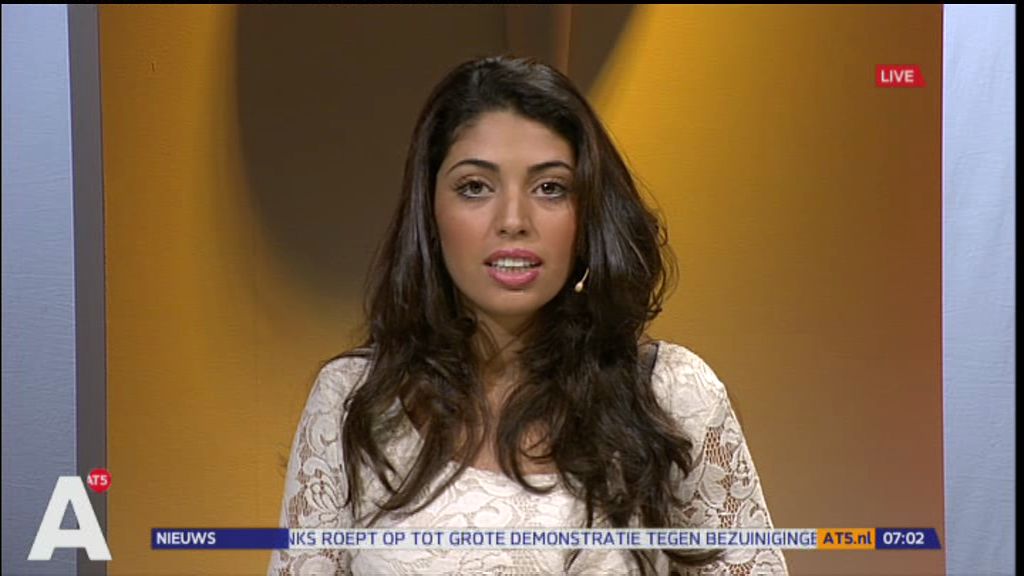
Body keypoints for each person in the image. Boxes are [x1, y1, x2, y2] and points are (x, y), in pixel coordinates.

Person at [269, 55, 787, 575]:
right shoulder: (355, 401)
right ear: (429, 211)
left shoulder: (673, 395)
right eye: (475, 187)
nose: (513, 220)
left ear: (587, 214)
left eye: (550, 188)